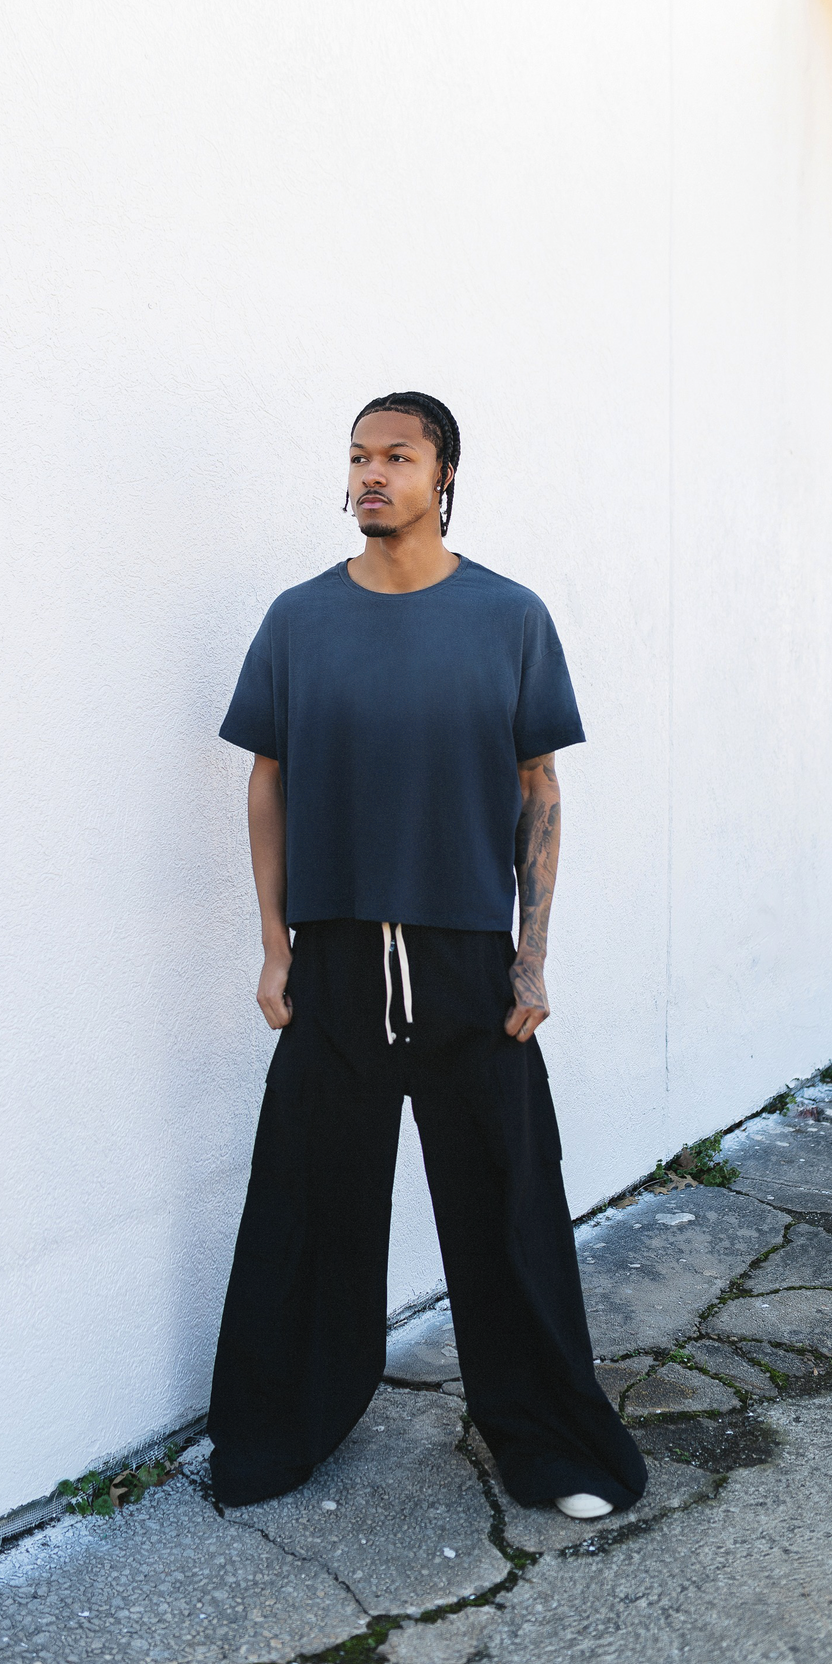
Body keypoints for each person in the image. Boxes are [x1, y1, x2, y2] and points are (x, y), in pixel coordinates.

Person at [207, 390, 647, 1521]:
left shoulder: (508, 616)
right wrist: (274, 946)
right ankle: (279, 1432)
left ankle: (555, 1447)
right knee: (308, 1201)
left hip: (465, 959)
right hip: (336, 955)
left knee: (508, 1206)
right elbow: (267, 782)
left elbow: (539, 787)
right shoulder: (300, 619)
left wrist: (531, 957)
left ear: (443, 475)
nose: (371, 473)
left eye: (396, 456)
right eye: (358, 456)